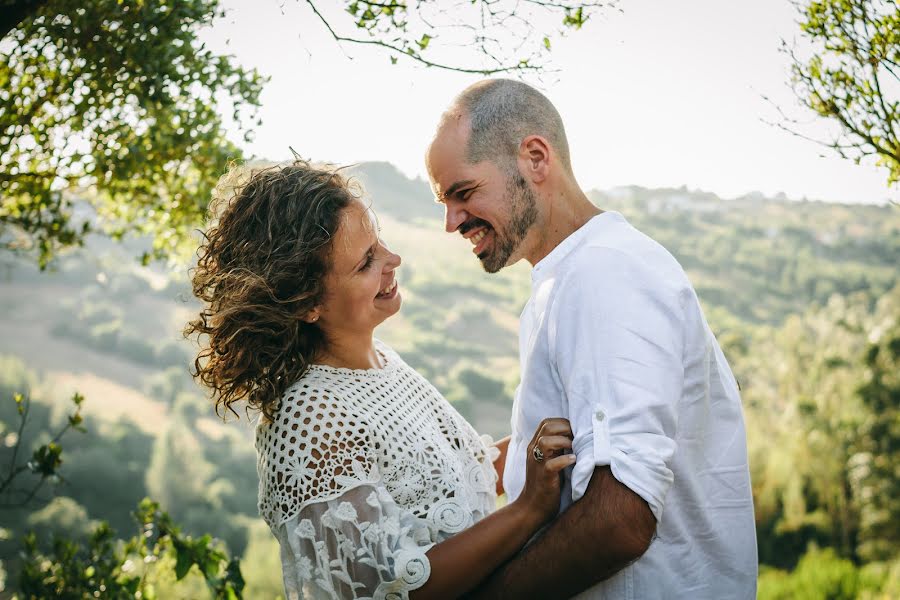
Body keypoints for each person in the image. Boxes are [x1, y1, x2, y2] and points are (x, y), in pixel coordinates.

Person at [425, 79, 758, 599]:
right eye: (443, 201)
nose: (451, 222)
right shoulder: (566, 279)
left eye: (463, 193)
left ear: (536, 158)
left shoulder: (604, 274)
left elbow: (620, 517)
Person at [185, 161, 576, 600]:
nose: (393, 260)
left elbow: (459, 481)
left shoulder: (383, 363)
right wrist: (527, 511)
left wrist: (555, 436)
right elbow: (389, 589)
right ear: (307, 302)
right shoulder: (311, 422)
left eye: (379, 243)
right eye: (366, 262)